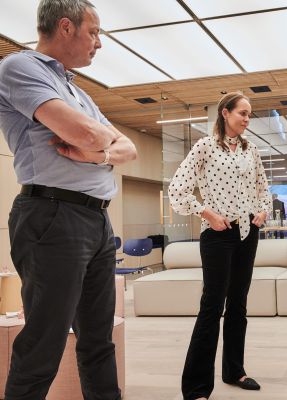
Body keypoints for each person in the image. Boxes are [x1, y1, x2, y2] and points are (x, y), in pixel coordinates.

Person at [0, 1, 137, 398]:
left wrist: (99, 155)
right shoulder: (19, 67)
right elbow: (88, 135)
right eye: (93, 32)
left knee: (98, 339)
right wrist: (99, 141)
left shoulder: (76, 90)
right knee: (44, 343)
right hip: (52, 215)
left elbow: (127, 149)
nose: (99, 43)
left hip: (96, 220)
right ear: (65, 27)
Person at [169, 92, 272, 400]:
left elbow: (263, 188)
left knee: (238, 304)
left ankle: (234, 370)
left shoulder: (251, 150)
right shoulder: (205, 146)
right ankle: (196, 388)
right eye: (243, 113)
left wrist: (263, 211)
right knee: (212, 307)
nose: (247, 119)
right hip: (217, 234)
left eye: (249, 114)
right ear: (225, 113)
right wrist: (206, 213)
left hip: (247, 233)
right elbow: (177, 189)